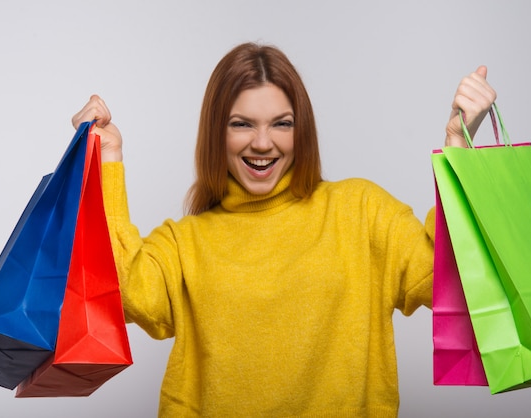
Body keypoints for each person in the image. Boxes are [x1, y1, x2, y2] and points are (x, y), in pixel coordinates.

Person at [72, 42, 496, 417]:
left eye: (281, 123)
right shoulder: (186, 242)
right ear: (215, 132)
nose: (262, 143)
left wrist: (458, 146)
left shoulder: (361, 211)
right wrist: (108, 160)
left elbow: (449, 272)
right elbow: (120, 290)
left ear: (302, 130)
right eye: (241, 124)